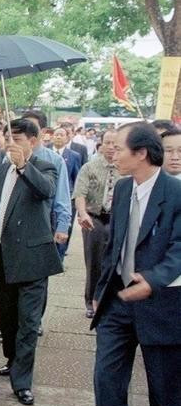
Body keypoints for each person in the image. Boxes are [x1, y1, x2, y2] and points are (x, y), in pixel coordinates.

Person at [90, 123, 181, 406]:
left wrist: (153, 280)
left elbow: (178, 248)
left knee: (164, 392)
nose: (112, 152)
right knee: (107, 381)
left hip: (162, 305)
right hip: (118, 302)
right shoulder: (125, 187)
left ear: (141, 153)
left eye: (119, 147)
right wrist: (102, 290)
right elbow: (115, 245)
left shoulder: (176, 192)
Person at [0, 119, 62, 406]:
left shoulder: (44, 168)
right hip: (1, 257)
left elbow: (46, 191)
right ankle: (12, 358)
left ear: (33, 141)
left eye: (17, 139)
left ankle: (22, 381)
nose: (11, 144)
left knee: (29, 322)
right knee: (6, 319)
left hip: (33, 259)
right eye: (8, 138)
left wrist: (23, 167)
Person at [74, 130, 121, 318]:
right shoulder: (89, 167)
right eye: (107, 143)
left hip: (117, 219)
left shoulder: (125, 168)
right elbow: (80, 194)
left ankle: (111, 300)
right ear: (100, 145)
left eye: (115, 144)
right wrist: (83, 213)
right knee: (94, 261)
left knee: (116, 262)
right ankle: (91, 301)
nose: (111, 147)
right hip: (94, 218)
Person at [51, 127, 82, 259]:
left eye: (61, 135)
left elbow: (77, 177)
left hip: (67, 196)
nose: (58, 137)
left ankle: (60, 256)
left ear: (67, 138)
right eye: (56, 134)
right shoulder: (45, 153)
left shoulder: (74, 156)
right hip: (50, 196)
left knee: (64, 226)